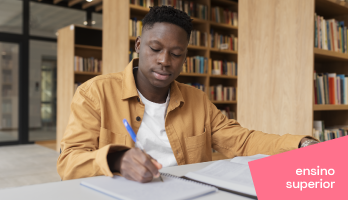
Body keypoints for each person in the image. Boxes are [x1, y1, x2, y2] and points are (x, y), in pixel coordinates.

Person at [57, 6, 318, 183]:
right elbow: (69, 162)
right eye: (155, 48)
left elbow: (242, 141)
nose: (164, 61)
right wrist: (116, 158)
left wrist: (301, 145)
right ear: (138, 45)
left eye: (176, 53)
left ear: (185, 57)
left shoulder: (197, 100)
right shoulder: (95, 92)